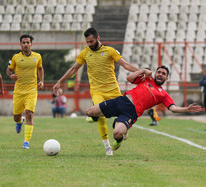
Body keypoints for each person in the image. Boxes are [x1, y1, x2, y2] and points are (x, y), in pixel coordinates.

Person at [53, 27, 143, 156]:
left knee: (125, 112)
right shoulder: (85, 53)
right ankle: (107, 148)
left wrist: (141, 72)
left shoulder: (110, 51)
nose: (89, 44)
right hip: (97, 91)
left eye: (91, 41)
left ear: (98, 38)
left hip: (112, 89)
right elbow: (73, 69)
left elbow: (126, 65)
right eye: (87, 42)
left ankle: (121, 132)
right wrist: (59, 82)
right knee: (101, 116)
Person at [86, 66, 202, 151]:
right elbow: (129, 78)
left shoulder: (164, 94)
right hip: (122, 101)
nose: (160, 74)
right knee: (89, 112)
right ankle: (101, 117)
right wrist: (142, 71)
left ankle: (119, 139)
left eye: (163, 73)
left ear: (166, 78)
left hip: (132, 112)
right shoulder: (147, 79)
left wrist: (186, 109)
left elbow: (173, 108)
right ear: (155, 74)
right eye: (159, 72)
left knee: (117, 133)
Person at [6, 34, 44, 149]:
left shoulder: (37, 56)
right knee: (16, 117)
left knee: (29, 114)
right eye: (24, 42)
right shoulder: (15, 57)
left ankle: (26, 142)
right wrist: (11, 75)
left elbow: (40, 68)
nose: (26, 44)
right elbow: (8, 70)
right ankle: (19, 121)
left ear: (31, 44)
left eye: (28, 42)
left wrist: (41, 81)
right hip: (18, 92)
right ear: (20, 44)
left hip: (32, 90)